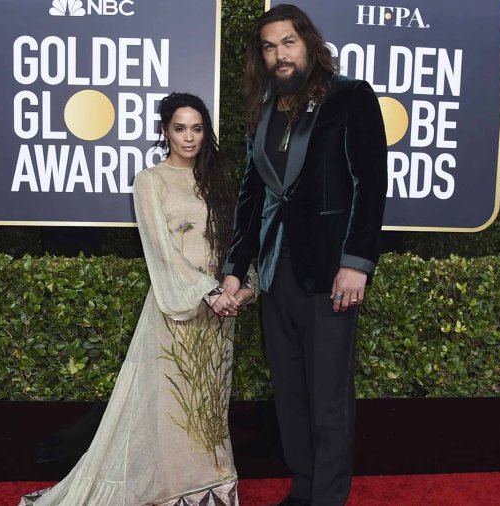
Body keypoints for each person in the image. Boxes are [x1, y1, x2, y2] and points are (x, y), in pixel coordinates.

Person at [21, 92, 255, 506]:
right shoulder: (151, 180)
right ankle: (169, 492)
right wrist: (209, 292)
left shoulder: (217, 182)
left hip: (220, 314)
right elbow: (161, 252)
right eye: (180, 128)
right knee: (169, 404)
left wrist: (242, 287)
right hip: (177, 309)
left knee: (208, 404)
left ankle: (208, 489)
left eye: (197, 129)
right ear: (164, 130)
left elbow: (236, 244)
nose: (189, 138)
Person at [213, 4, 388, 506]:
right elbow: (254, 196)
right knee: (289, 391)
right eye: (269, 47)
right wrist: (235, 268)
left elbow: (369, 183)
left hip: (331, 269)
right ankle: (305, 486)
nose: (279, 54)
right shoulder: (265, 111)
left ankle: (329, 497)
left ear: (309, 44)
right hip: (275, 271)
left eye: (288, 42)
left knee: (328, 395)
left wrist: (356, 262)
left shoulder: (350, 96)